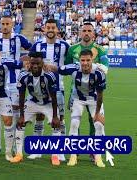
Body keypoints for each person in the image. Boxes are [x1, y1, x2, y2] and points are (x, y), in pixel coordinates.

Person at [0, 15, 32, 156]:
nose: (4, 26)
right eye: (2, 23)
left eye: (7, 23)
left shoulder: (19, 38)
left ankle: (14, 145)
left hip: (14, 82)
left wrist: (24, 59)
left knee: (14, 114)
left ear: (12, 24)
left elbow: (32, 50)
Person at [65, 22, 109, 161]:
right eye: (84, 30)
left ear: (93, 33)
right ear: (79, 32)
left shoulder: (100, 49)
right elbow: (66, 66)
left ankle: (92, 149)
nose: (86, 33)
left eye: (89, 31)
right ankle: (75, 150)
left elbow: (105, 68)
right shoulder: (72, 49)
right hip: (76, 91)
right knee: (75, 121)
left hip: (94, 91)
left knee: (93, 119)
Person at [10, 52, 61, 165]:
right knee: (20, 124)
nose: (35, 66)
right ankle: (19, 154)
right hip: (33, 102)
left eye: (38, 63)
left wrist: (55, 116)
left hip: (48, 103)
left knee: (56, 125)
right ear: (29, 63)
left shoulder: (50, 76)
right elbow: (22, 96)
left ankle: (55, 156)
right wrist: (22, 115)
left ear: (42, 63)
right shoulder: (23, 75)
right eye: (33, 63)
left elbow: (54, 97)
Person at [30, 19, 70, 161]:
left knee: (60, 119)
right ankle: (37, 150)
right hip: (40, 88)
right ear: (44, 29)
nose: (51, 30)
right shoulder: (37, 45)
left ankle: (59, 152)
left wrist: (57, 69)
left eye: (53, 27)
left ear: (57, 29)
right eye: (48, 27)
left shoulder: (65, 46)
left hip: (58, 87)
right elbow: (31, 64)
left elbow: (70, 66)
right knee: (39, 117)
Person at [59, 49, 106, 168]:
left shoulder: (99, 73)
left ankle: (98, 156)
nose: (85, 63)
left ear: (92, 60)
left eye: (88, 60)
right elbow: (58, 69)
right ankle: (73, 155)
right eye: (82, 60)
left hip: (94, 100)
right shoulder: (74, 68)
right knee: (74, 123)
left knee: (99, 125)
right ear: (79, 60)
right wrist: (45, 66)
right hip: (78, 99)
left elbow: (100, 95)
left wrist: (97, 114)